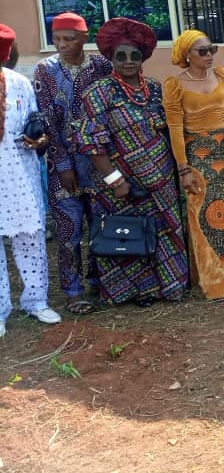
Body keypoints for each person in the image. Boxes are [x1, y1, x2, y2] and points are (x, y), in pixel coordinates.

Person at [75, 18, 188, 307]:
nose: (128, 61)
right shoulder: (98, 93)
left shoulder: (155, 89)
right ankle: (130, 293)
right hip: (122, 185)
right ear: (111, 58)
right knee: (127, 234)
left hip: (161, 184)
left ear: (143, 57)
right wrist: (115, 180)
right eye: (120, 56)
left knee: (163, 233)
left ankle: (167, 288)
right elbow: (92, 141)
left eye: (134, 55)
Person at [33, 12, 112, 315]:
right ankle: (72, 289)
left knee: (99, 225)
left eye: (69, 38)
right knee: (69, 231)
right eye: (57, 39)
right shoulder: (46, 70)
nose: (62, 44)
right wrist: (63, 164)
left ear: (84, 37)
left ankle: (98, 281)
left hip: (97, 161)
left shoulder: (102, 66)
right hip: (62, 167)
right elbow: (48, 122)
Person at [163, 30, 224, 300]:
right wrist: (183, 169)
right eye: (202, 51)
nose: (209, 55)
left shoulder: (222, 76)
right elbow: (175, 129)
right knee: (202, 215)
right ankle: (212, 278)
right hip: (196, 156)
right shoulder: (175, 84)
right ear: (186, 55)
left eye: (211, 49)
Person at [0, 24, 61, 337]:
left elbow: (36, 126)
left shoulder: (20, 83)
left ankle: (36, 301)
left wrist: (37, 141)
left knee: (31, 239)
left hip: (20, 173)